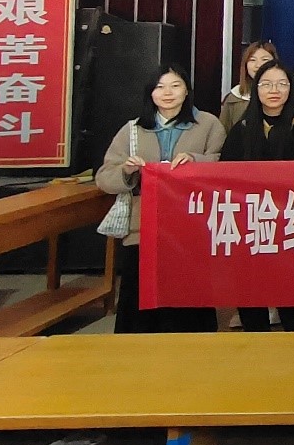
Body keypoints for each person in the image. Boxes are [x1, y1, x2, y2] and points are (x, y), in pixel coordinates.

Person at [96, 63, 225, 333]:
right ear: (150, 93)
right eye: (160, 87)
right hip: (143, 227)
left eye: (175, 86)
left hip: (192, 226)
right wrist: (127, 171)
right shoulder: (132, 130)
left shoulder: (209, 124)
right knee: (141, 298)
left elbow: (223, 165)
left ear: (187, 91)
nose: (167, 93)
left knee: (189, 299)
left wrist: (195, 161)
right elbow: (104, 177)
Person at [220, 60, 294, 332]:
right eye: (266, 84)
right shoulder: (243, 128)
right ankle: (256, 338)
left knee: (291, 287)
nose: (274, 90)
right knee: (250, 285)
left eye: (281, 84)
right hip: (252, 221)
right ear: (256, 89)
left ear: (291, 89)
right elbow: (224, 175)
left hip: (292, 220)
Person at [220, 41, 279, 133]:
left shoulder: (285, 95)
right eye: (252, 60)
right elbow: (223, 133)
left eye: (264, 60)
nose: (258, 65)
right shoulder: (234, 97)